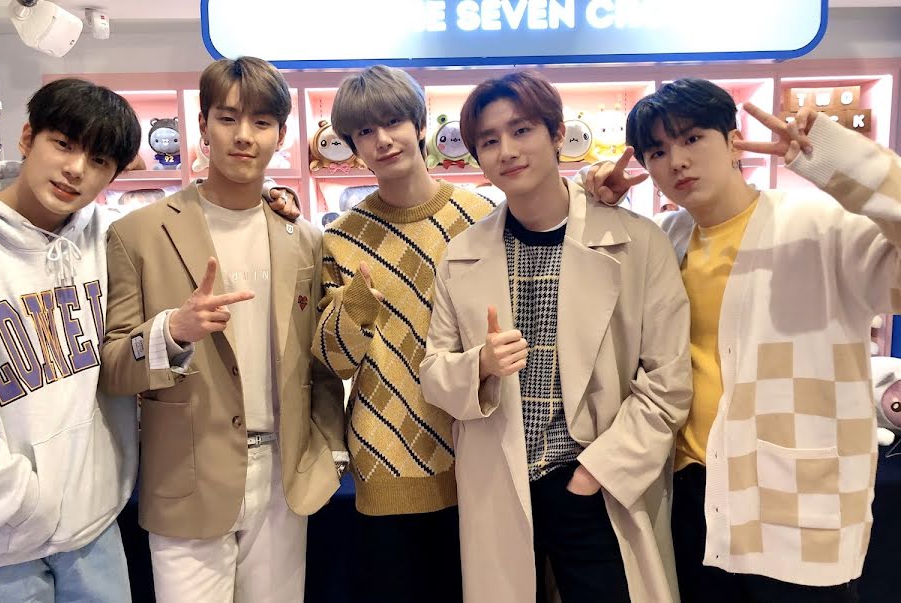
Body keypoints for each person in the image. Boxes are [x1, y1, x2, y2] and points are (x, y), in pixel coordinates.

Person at [604, 77, 893, 602]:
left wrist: (839, 161)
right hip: (695, 493)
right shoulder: (666, 238)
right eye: (658, 151)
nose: (677, 162)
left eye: (692, 138)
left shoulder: (822, 227)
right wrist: (595, 206)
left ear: (733, 140)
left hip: (797, 501)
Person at [419, 70, 693, 603]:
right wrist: (480, 365)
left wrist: (594, 474)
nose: (507, 151)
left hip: (596, 481)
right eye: (489, 141)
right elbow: (435, 372)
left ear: (557, 133)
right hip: (502, 483)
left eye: (521, 130)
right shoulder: (463, 253)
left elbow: (668, 381)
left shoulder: (637, 243)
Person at [99, 56, 345, 603]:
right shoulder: (138, 234)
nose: (244, 136)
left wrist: (329, 448)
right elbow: (113, 367)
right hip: (187, 476)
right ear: (204, 125)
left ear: (282, 134)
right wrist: (171, 332)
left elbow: (318, 361)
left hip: (285, 475)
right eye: (228, 118)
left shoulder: (305, 238)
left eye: (262, 122)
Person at [0, 78, 141, 601]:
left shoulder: (104, 237)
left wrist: (266, 199)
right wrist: (12, 500)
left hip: (92, 529)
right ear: (28, 138)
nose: (76, 169)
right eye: (64, 144)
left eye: (99, 160)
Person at [310, 65, 496, 603]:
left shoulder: (481, 217)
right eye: (365, 132)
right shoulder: (341, 239)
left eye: (393, 121)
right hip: (385, 448)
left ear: (419, 124)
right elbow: (333, 361)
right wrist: (355, 309)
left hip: (476, 440)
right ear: (352, 147)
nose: (383, 140)